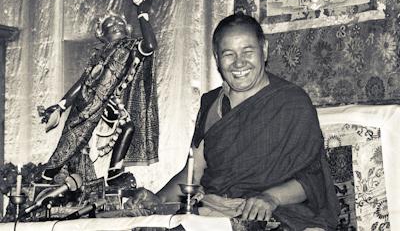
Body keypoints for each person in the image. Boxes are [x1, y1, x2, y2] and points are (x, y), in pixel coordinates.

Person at [127, 13, 340, 230]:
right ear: (217, 59)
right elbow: (194, 171)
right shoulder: (211, 103)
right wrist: (158, 201)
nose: (239, 63)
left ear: (264, 49)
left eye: (248, 51)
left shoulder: (292, 102)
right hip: (214, 211)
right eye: (229, 54)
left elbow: (313, 179)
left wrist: (270, 198)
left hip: (276, 212)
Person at [38, 0, 159, 188]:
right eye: (110, 24)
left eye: (120, 23)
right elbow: (81, 84)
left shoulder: (129, 47)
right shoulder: (98, 57)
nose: (117, 25)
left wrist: (142, 13)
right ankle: (47, 178)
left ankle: (113, 172)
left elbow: (150, 45)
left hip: (109, 103)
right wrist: (60, 106)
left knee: (128, 127)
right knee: (71, 143)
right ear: (102, 34)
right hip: (87, 105)